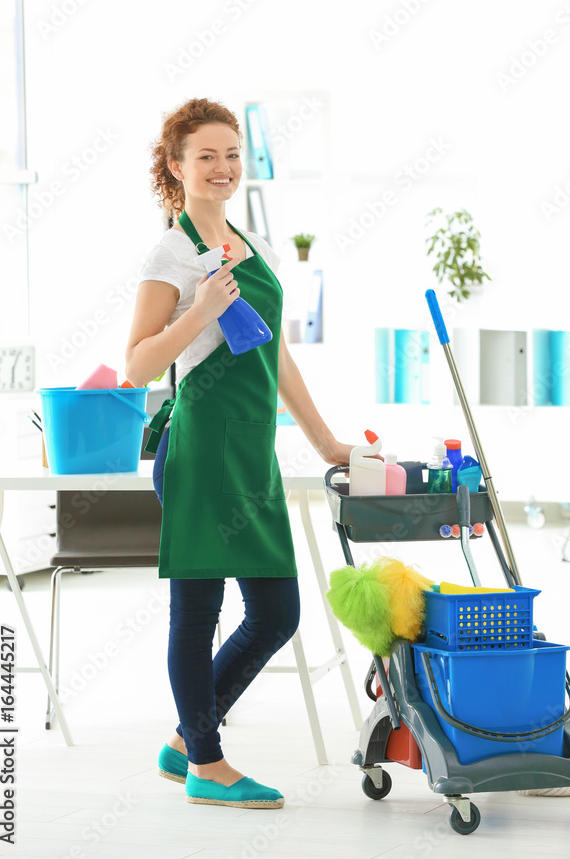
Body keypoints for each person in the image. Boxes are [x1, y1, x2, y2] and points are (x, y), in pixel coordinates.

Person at [124, 98, 372, 809]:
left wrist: (326, 442)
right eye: (206, 155)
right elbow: (137, 366)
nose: (223, 167)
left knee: (276, 613)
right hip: (202, 447)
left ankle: (186, 740)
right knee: (196, 613)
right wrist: (200, 311)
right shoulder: (170, 255)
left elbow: (276, 355)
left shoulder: (250, 243)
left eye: (232, 154)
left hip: (253, 447)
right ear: (176, 167)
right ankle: (207, 764)